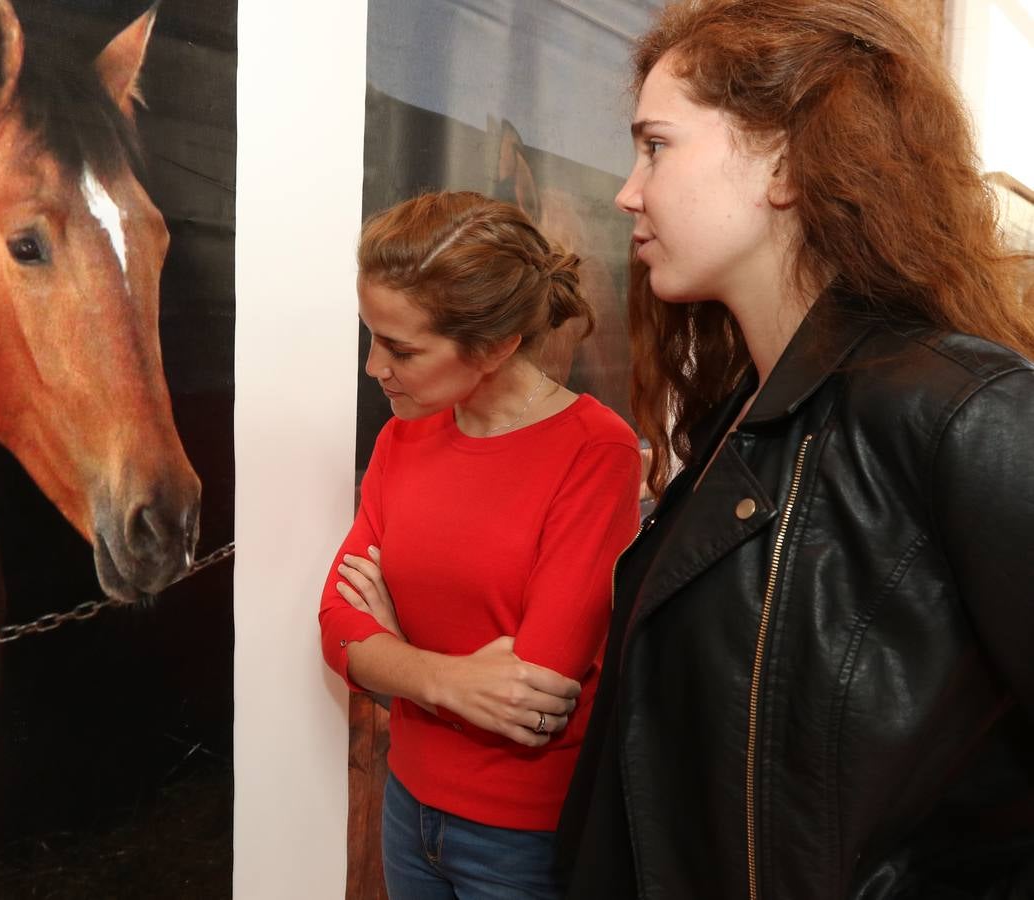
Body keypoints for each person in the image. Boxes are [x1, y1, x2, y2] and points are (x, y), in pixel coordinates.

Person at [554, 1, 1034, 898]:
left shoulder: (962, 412)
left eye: (656, 145)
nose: (628, 190)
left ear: (784, 160)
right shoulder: (742, 417)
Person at [318, 191, 641, 899]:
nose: (376, 367)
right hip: (406, 805)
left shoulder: (595, 451)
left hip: (520, 835)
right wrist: (449, 679)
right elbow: (339, 629)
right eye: (373, 336)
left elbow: (537, 695)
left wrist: (394, 653)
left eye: (401, 347)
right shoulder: (403, 436)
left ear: (494, 346)